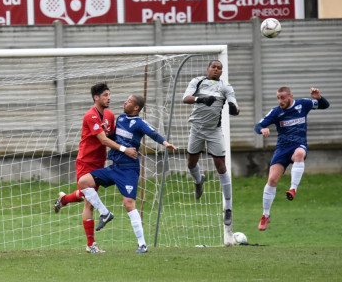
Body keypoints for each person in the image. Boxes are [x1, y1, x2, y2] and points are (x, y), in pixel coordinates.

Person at [77, 94, 176, 253]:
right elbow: (115, 137)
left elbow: (153, 133)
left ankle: (142, 244)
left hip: (129, 169)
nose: (125, 102)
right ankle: (105, 213)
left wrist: (165, 143)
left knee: (129, 204)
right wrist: (106, 132)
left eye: (129, 101)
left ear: (136, 107)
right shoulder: (121, 119)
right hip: (114, 167)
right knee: (83, 182)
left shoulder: (139, 123)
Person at [52, 83, 138, 254]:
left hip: (99, 162)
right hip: (85, 162)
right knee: (89, 202)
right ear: (96, 98)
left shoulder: (110, 115)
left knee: (86, 196)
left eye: (109, 94)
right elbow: (104, 140)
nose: (109, 98)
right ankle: (91, 244)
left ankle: (64, 200)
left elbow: (113, 136)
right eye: (105, 95)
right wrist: (124, 150)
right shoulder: (90, 116)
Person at [254, 87, 330, 231]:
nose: (280, 101)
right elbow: (258, 125)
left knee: (300, 153)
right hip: (282, 149)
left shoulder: (303, 104)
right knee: (271, 181)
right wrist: (262, 129)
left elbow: (325, 105)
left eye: (283, 97)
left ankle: (293, 189)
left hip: (298, 145)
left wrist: (319, 98)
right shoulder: (276, 112)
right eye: (278, 98)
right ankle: (265, 215)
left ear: (290, 96)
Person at [182, 59, 239, 227]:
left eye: (219, 68)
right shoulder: (197, 81)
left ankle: (228, 208)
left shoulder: (225, 87)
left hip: (214, 131)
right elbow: (186, 98)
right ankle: (199, 180)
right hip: (197, 128)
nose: (216, 70)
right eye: (213, 67)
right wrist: (202, 99)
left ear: (222, 72)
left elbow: (235, 105)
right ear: (208, 69)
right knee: (191, 163)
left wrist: (234, 109)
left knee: (221, 166)